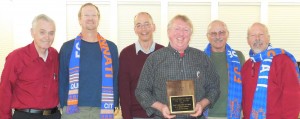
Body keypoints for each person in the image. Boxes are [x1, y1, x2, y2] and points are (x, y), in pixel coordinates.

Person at [135, 14, 220, 119]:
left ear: (190, 34)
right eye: (177, 29)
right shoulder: (154, 59)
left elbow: (214, 88)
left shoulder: (202, 58)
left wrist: (202, 104)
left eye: (186, 30)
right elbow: (141, 90)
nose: (181, 34)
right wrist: (161, 107)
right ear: (168, 32)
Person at [59, 3, 119, 119]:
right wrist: (63, 105)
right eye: (86, 15)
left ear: (98, 19)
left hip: (103, 109)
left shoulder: (111, 48)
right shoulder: (67, 47)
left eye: (94, 15)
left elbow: (115, 78)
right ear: (80, 19)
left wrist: (115, 104)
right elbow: (62, 78)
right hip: (73, 110)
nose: (90, 18)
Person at [0, 14, 60, 119]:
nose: (47, 37)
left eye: (51, 33)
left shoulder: (55, 55)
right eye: (42, 32)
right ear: (32, 32)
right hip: (26, 116)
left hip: (53, 115)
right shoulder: (16, 57)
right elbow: (5, 90)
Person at [241, 22, 300, 119]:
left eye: (261, 35)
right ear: (248, 40)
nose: (257, 38)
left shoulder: (283, 61)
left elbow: (292, 97)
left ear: (268, 38)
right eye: (253, 35)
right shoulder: (246, 66)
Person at [118, 12, 164, 119]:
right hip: (135, 115)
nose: (143, 29)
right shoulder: (126, 54)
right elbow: (124, 91)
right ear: (135, 29)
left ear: (153, 27)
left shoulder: (164, 52)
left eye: (147, 24)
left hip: (160, 114)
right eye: (139, 25)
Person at [203, 20, 245, 119]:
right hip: (207, 115)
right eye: (213, 33)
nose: (218, 37)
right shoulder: (200, 58)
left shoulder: (239, 56)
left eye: (221, 32)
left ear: (227, 34)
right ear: (208, 36)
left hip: (233, 115)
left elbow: (246, 85)